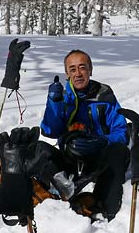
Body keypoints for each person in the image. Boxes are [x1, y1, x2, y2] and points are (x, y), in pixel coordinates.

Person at [39, 49, 130, 221]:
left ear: (90, 70)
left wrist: (102, 141)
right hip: (70, 159)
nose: (78, 73)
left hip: (98, 161)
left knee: (119, 151)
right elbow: (50, 131)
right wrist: (54, 103)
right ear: (66, 73)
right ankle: (53, 200)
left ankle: (106, 210)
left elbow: (122, 134)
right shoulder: (63, 97)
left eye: (82, 68)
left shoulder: (104, 96)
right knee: (39, 150)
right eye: (72, 69)